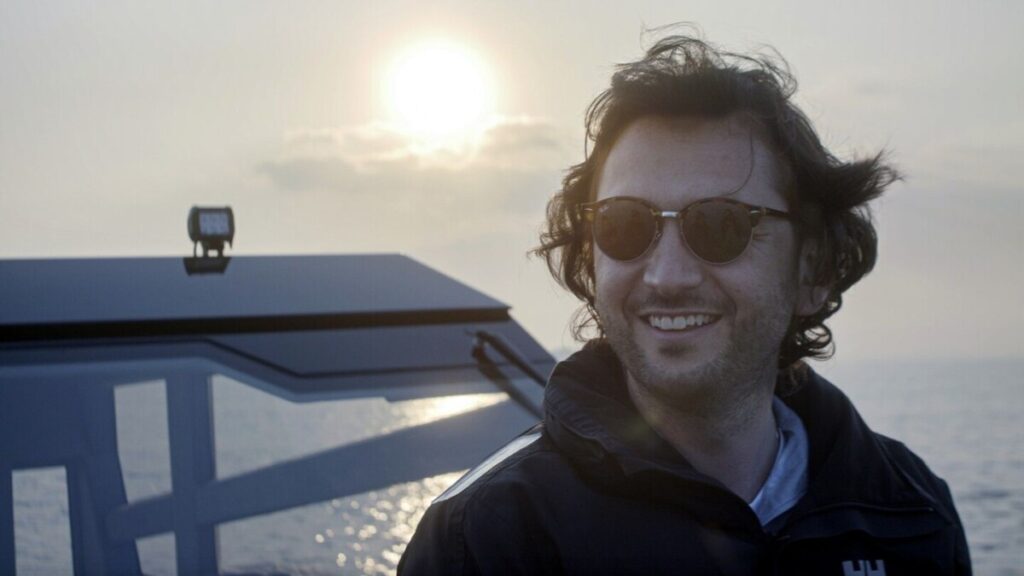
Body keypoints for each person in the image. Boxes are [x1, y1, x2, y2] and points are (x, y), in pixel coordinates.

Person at [399, 33, 971, 575]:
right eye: (625, 225)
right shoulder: (489, 538)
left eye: (721, 226)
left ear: (813, 269)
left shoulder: (907, 514)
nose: (667, 276)